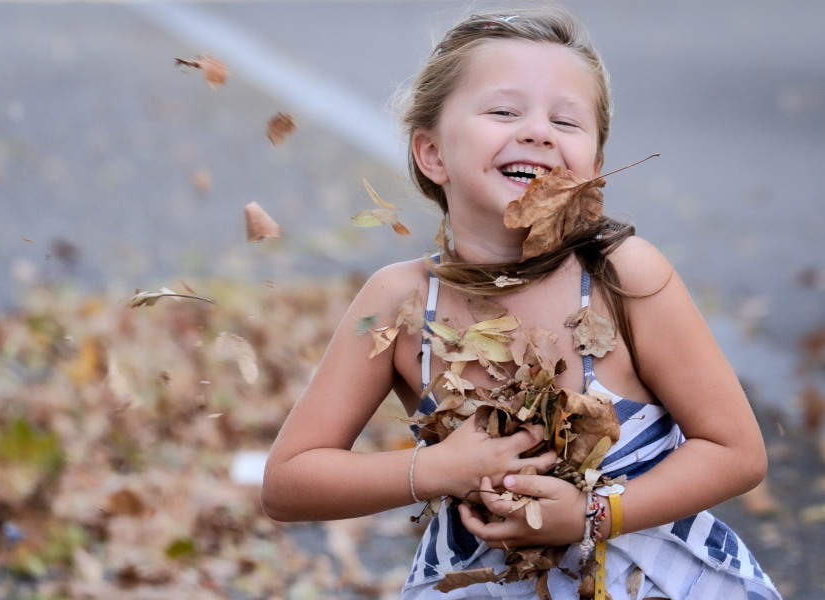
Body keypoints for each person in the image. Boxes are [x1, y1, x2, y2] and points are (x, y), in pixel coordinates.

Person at [261, 4, 781, 599]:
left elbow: (737, 451)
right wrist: (435, 469)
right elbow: (287, 482)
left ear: (594, 167)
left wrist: (593, 514)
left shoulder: (624, 277)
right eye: (504, 110)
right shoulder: (400, 303)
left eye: (567, 121)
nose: (538, 131)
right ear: (431, 153)